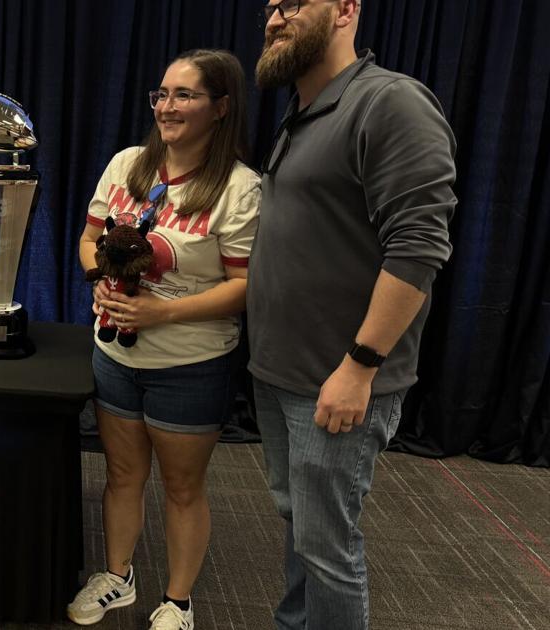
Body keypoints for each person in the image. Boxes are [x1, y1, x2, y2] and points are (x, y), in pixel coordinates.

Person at [248, 1, 457, 628]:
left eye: (293, 3)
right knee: (302, 532)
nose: (275, 17)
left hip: (337, 382)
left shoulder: (389, 103)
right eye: (270, 5)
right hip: (283, 375)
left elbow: (419, 247)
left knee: (327, 548)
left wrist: (361, 366)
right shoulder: (304, 114)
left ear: (346, 10)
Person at [68, 49, 261, 630]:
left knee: (182, 487)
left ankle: (178, 602)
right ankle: (118, 576)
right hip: (114, 355)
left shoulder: (239, 188)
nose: (167, 107)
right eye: (161, 94)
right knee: (122, 474)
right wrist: (102, 282)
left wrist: (162, 315)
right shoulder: (128, 164)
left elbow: (245, 287)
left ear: (220, 107)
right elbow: (88, 240)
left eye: (184, 95)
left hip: (191, 363)